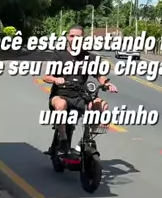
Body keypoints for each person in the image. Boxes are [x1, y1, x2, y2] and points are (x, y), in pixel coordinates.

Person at [43, 24, 117, 156]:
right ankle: (63, 139)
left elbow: (99, 75)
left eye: (78, 36)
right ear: (68, 37)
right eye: (72, 36)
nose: (75, 39)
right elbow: (46, 77)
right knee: (61, 105)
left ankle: (84, 141)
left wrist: (107, 84)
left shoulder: (90, 57)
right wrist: (56, 79)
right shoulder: (58, 55)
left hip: (82, 96)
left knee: (102, 106)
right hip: (61, 95)